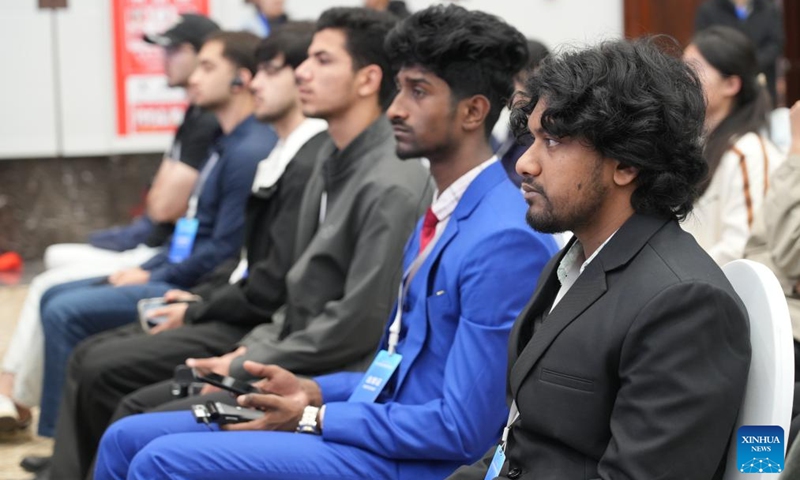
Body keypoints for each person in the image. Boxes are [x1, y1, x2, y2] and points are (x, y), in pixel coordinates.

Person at [92, 5, 558, 480]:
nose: (395, 108)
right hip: (378, 428)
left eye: (418, 92)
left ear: (473, 111)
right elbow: (399, 370)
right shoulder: (447, 209)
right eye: (400, 88)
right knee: (126, 437)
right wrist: (311, 391)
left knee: (159, 460)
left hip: (414, 462)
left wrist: (316, 417)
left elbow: (462, 430)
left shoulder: (502, 239)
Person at [40, 9, 432, 480]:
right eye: (302, 60)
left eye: (321, 60)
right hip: (289, 352)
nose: (301, 72)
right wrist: (248, 351)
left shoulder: (390, 182)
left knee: (137, 422)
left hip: (328, 378)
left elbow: (354, 326)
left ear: (369, 79)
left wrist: (246, 361)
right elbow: (294, 291)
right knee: (126, 411)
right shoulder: (330, 154)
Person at [448, 36, 751, 480]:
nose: (524, 165)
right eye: (531, 139)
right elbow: (519, 442)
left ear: (627, 164)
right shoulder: (575, 259)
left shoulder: (685, 304)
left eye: (552, 141)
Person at [33, 30, 276, 446]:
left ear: (242, 78)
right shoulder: (223, 139)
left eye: (208, 66)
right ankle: (62, 448)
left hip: (194, 285)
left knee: (66, 313)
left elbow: (222, 250)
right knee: (55, 299)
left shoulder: (249, 150)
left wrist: (157, 278)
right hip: (181, 272)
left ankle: (63, 446)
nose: (194, 76)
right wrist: (149, 268)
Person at [0, 13, 221, 434]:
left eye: (178, 51)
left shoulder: (218, 127)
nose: (164, 60)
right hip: (162, 252)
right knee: (55, 263)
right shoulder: (199, 117)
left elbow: (166, 208)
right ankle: (17, 398)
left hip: (172, 261)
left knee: (53, 293)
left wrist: (154, 268)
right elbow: (159, 201)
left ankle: (21, 402)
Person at [682, 25, 783, 266]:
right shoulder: (700, 144)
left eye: (694, 69)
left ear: (731, 85)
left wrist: (678, 277)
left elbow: (741, 251)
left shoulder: (748, 152)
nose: (684, 78)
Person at [744, 100, 800, 448]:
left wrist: (796, 154)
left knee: (774, 420)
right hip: (773, 315)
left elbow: (788, 251)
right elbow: (758, 251)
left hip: (790, 334)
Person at [695, 0, 784, 104]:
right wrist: (732, 65)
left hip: (761, 79)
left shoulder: (768, 8)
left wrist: (750, 65)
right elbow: (704, 44)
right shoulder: (709, 9)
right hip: (724, 79)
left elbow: (775, 44)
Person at [495, 39, 550, 187]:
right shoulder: (514, 130)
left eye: (519, 80)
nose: (510, 88)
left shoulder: (545, 136)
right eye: (507, 79)